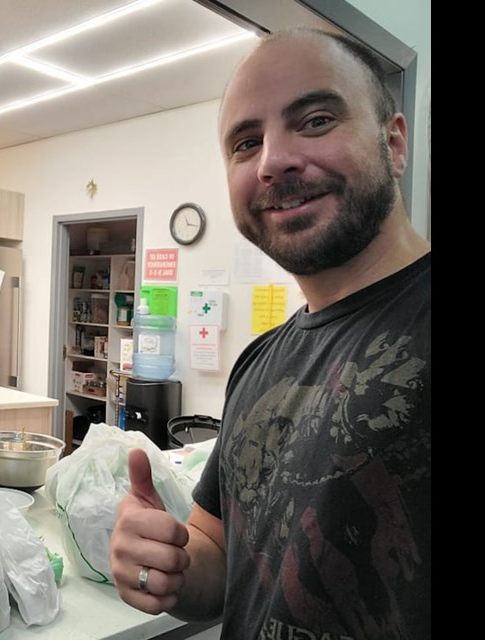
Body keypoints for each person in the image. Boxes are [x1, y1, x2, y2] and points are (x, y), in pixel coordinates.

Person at [109, 27, 431, 638]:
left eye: (313, 120)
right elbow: (221, 563)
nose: (272, 160)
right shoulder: (261, 362)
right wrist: (170, 565)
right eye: (246, 142)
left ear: (394, 143)